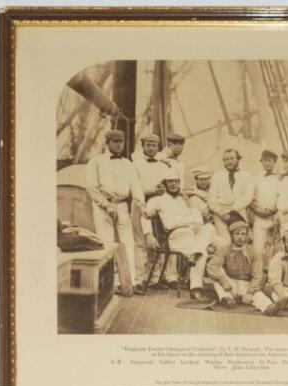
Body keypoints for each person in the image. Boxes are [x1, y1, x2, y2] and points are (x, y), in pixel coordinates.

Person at [85, 129, 145, 295]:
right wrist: (106, 205)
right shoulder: (96, 162)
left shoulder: (127, 164)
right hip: (103, 206)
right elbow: (91, 186)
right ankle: (109, 284)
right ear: (107, 142)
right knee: (107, 243)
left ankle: (129, 282)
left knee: (128, 242)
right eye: (115, 141)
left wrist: (141, 202)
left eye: (121, 141)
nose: (119, 144)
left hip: (122, 206)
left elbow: (135, 185)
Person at [141, 170, 216, 302]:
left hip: (193, 233)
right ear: (164, 183)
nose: (174, 184)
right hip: (177, 235)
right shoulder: (157, 200)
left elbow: (194, 213)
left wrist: (198, 223)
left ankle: (196, 253)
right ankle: (195, 289)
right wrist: (148, 234)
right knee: (203, 253)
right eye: (170, 182)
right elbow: (145, 215)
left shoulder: (183, 199)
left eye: (176, 181)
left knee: (211, 229)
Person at [206, 221, 284, 316]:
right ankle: (227, 299)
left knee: (258, 295)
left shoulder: (253, 252)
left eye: (243, 234)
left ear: (247, 236)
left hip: (246, 284)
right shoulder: (224, 249)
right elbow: (212, 266)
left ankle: (268, 307)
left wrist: (250, 292)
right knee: (216, 279)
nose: (240, 237)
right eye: (237, 234)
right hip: (229, 284)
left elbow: (258, 275)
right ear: (231, 235)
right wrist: (223, 280)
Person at [132, 133, 169, 290]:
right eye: (148, 145)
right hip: (140, 204)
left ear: (158, 147)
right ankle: (138, 279)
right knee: (140, 242)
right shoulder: (136, 165)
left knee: (157, 241)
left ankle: (153, 279)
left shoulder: (163, 166)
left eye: (154, 145)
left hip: (157, 206)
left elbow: (167, 184)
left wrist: (163, 189)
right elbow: (135, 187)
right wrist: (149, 193)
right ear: (143, 146)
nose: (151, 148)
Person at [208, 148, 255, 243]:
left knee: (241, 242)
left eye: (232, 158)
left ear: (238, 159)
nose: (229, 162)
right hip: (220, 214)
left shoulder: (247, 176)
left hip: (238, 211)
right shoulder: (217, 176)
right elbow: (212, 198)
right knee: (225, 242)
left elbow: (248, 197)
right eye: (226, 159)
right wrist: (220, 212)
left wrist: (231, 211)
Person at [250, 150, 280, 260]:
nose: (267, 163)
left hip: (275, 218)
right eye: (265, 161)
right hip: (260, 218)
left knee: (275, 250)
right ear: (261, 162)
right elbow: (249, 199)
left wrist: (274, 210)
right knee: (258, 249)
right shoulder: (255, 179)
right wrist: (259, 211)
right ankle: (258, 276)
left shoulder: (280, 178)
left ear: (274, 162)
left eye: (270, 161)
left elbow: (282, 197)